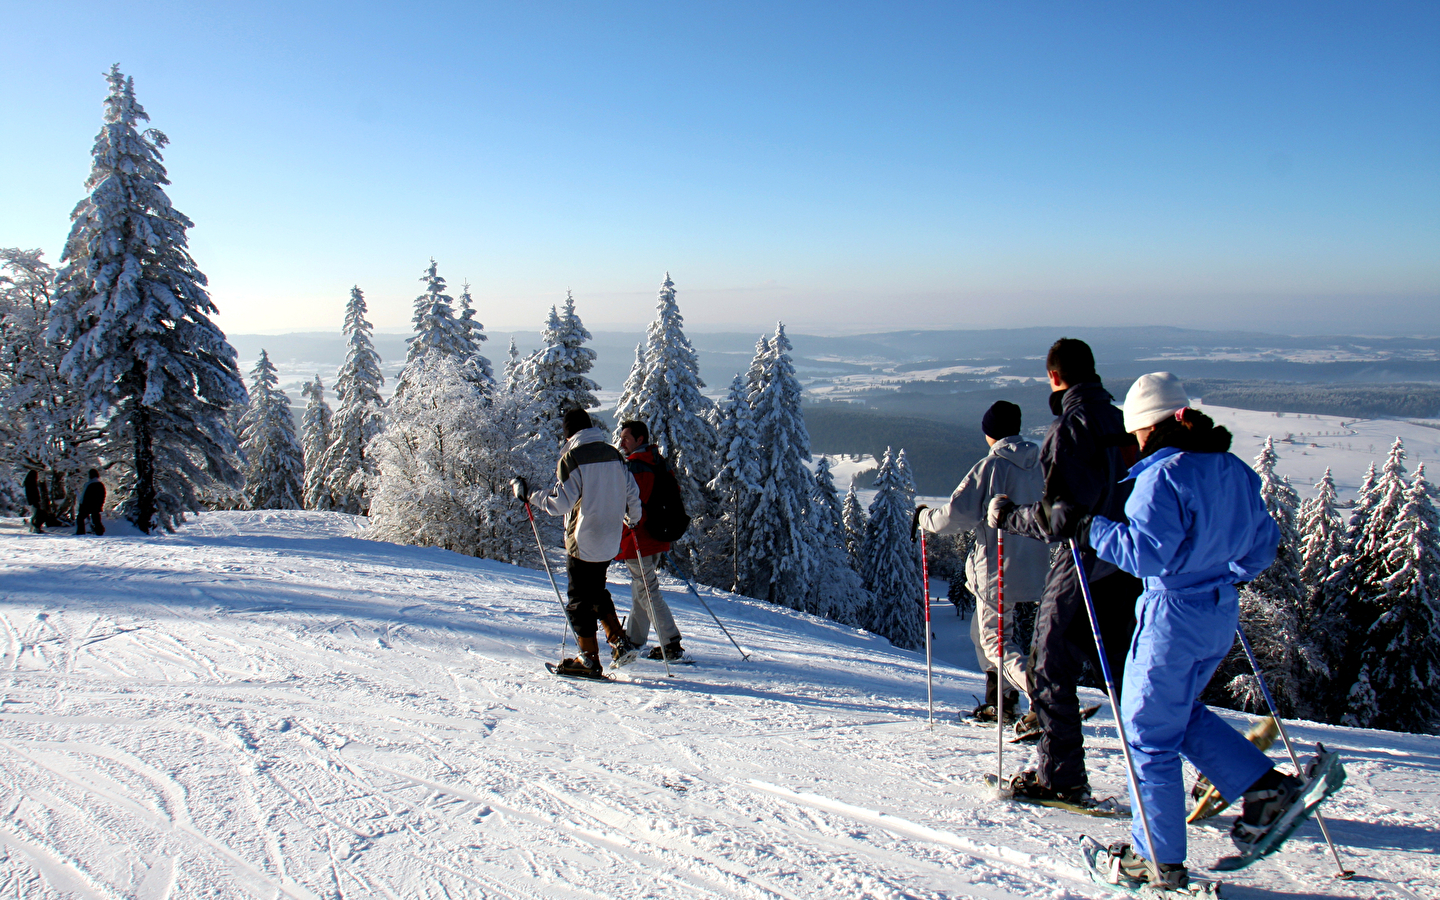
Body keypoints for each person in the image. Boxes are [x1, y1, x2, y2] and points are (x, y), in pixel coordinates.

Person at [1076, 372, 1298, 889]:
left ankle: (1159, 861)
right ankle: (1264, 789)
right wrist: (1218, 576)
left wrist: (1090, 529)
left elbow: (1146, 553)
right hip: (1218, 611)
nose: (1134, 443)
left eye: (1135, 434)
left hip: (1171, 618)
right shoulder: (1232, 468)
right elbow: (1262, 546)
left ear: (1147, 428)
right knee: (1176, 715)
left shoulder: (1161, 478)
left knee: (1148, 737)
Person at [988, 338, 1142, 805]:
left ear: (1054, 377)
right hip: (1129, 564)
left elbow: (1059, 518)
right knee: (1132, 677)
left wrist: (1008, 516)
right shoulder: (1123, 422)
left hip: (1082, 564)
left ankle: (1061, 777)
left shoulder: (1071, 427)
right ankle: (1196, 764)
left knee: (1051, 668)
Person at [915, 400, 1046, 722]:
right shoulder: (1042, 463)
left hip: (998, 568)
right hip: (1036, 567)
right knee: (982, 635)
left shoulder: (991, 467)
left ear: (990, 432)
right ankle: (1000, 703)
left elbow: (955, 516)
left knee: (994, 642)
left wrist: (923, 518)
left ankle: (1044, 696)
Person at [516, 409, 644, 677]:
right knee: (595, 590)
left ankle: (588, 658)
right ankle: (618, 641)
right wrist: (632, 519)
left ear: (569, 433)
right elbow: (633, 493)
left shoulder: (572, 458)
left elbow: (560, 504)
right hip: (610, 539)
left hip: (583, 539)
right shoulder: (615, 456)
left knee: (578, 599)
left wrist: (531, 495)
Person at [615, 420, 686, 661]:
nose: (622, 441)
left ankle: (671, 642)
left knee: (647, 590)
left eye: (626, 438)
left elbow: (633, 506)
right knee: (641, 588)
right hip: (655, 537)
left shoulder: (638, 466)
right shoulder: (656, 462)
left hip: (640, 539)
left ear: (640, 440)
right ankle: (635, 639)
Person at [76, 469, 106, 536]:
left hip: (87, 506)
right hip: (96, 506)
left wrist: (82, 505)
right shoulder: (100, 485)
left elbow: (85, 496)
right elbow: (103, 496)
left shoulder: (88, 484)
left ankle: (80, 532)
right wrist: (100, 504)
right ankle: (100, 531)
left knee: (80, 518)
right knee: (96, 520)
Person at [22, 469, 45, 534]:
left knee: (35, 514)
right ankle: (35, 528)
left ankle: (33, 528)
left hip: (32, 501)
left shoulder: (28, 483)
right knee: (36, 514)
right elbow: (33, 493)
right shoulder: (31, 484)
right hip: (34, 501)